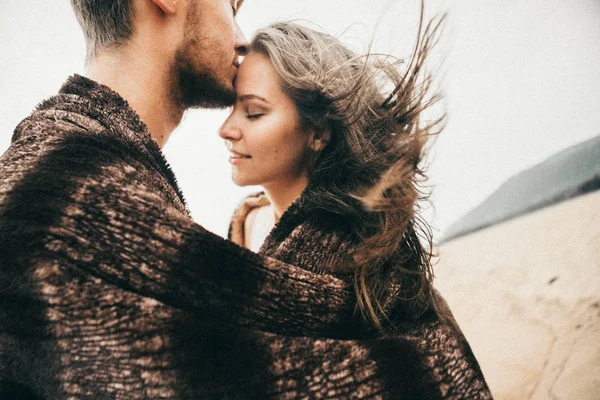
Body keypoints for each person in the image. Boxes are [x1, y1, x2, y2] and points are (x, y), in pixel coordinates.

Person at [0, 0, 492, 398]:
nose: (239, 36)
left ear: (317, 132)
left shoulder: (91, 183)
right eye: (231, 3)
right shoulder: (61, 201)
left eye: (254, 112)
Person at [223, 18, 493, 394]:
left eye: (253, 112)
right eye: (231, 108)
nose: (226, 129)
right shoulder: (244, 225)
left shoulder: (362, 254)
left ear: (318, 132)